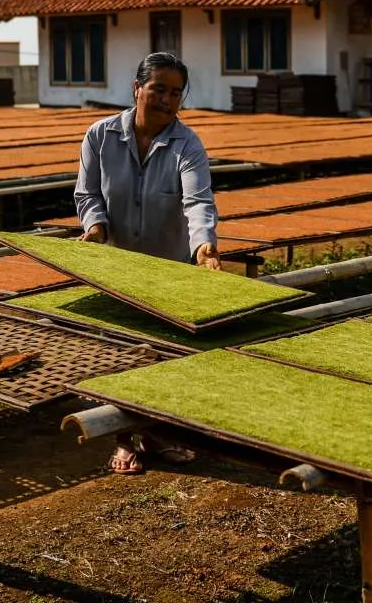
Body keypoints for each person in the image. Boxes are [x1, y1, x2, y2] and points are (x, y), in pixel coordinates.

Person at [73, 51, 221, 474]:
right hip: (115, 266)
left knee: (162, 354)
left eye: (176, 93)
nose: (167, 100)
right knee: (116, 353)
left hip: (167, 266)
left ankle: (155, 436)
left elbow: (197, 201)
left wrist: (204, 247)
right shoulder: (99, 136)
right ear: (137, 89)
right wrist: (97, 227)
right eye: (158, 89)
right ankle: (123, 440)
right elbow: (88, 195)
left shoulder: (187, 144)